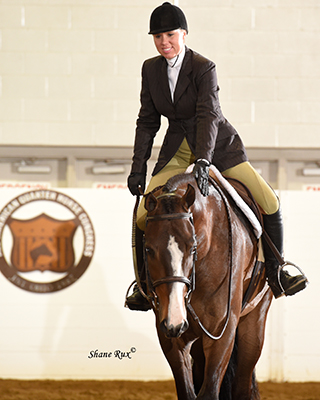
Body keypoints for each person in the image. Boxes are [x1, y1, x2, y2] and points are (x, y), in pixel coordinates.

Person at [125, 2, 307, 311]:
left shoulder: (203, 67)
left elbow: (209, 115)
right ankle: (143, 286)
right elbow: (147, 121)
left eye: (170, 34)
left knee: (269, 200)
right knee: (145, 213)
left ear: (184, 34)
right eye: (157, 37)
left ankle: (277, 271)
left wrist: (204, 160)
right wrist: (137, 168)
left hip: (218, 146)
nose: (164, 42)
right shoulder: (150, 69)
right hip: (177, 147)